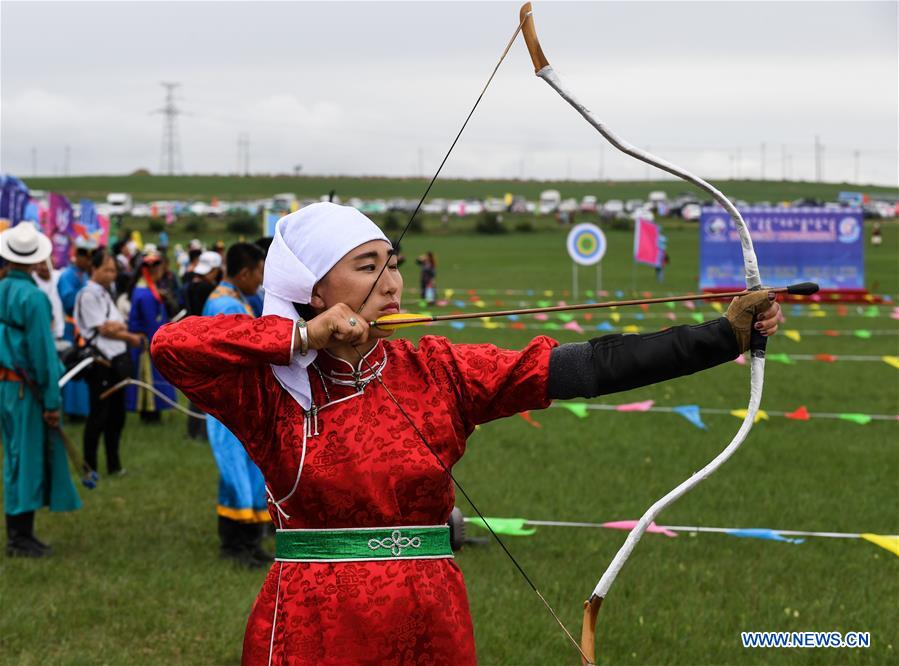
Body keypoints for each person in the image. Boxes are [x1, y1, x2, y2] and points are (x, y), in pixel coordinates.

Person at [151, 202, 782, 664]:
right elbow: (172, 347)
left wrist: (721, 337)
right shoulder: (270, 388)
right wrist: (303, 339)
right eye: (367, 267)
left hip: (433, 615)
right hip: (316, 624)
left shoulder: (436, 368)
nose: (392, 283)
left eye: (392, 265)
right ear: (312, 290)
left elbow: (585, 367)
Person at [0, 223, 82, 558]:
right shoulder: (33, 297)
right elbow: (43, 355)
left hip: (7, 387)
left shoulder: (3, 287)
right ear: (35, 260)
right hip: (26, 390)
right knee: (28, 458)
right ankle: (20, 537)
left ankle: (19, 533)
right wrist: (51, 400)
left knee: (14, 457)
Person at [199, 242, 270, 566]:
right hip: (230, 404)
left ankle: (248, 542)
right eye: (259, 271)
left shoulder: (234, 299)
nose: (261, 278)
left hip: (241, 404)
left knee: (246, 471)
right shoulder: (226, 306)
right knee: (235, 472)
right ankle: (237, 544)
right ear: (244, 273)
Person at [75, 248, 144, 477]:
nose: (112, 275)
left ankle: (114, 466)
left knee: (117, 416)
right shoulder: (88, 295)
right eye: (107, 270)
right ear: (94, 269)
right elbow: (103, 328)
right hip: (101, 362)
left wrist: (117, 328)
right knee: (98, 417)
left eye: (114, 270)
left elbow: (115, 324)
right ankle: (89, 467)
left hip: (116, 360)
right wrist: (128, 335)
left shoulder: (105, 293)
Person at [125, 250, 175, 422]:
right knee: (150, 377)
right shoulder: (145, 293)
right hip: (148, 341)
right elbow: (150, 322)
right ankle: (150, 413)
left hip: (151, 338)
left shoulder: (148, 288)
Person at [57, 242, 93, 418]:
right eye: (86, 258)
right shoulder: (67, 275)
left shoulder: (84, 275)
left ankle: (83, 408)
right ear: (78, 257)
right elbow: (69, 300)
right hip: (72, 327)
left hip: (84, 327)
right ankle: (72, 410)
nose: (88, 261)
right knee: (73, 362)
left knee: (84, 362)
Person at [33, 258, 65, 340]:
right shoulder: (32, 280)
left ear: (53, 262)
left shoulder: (59, 276)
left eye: (47, 263)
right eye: (41, 263)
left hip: (60, 332)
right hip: (40, 334)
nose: (45, 267)